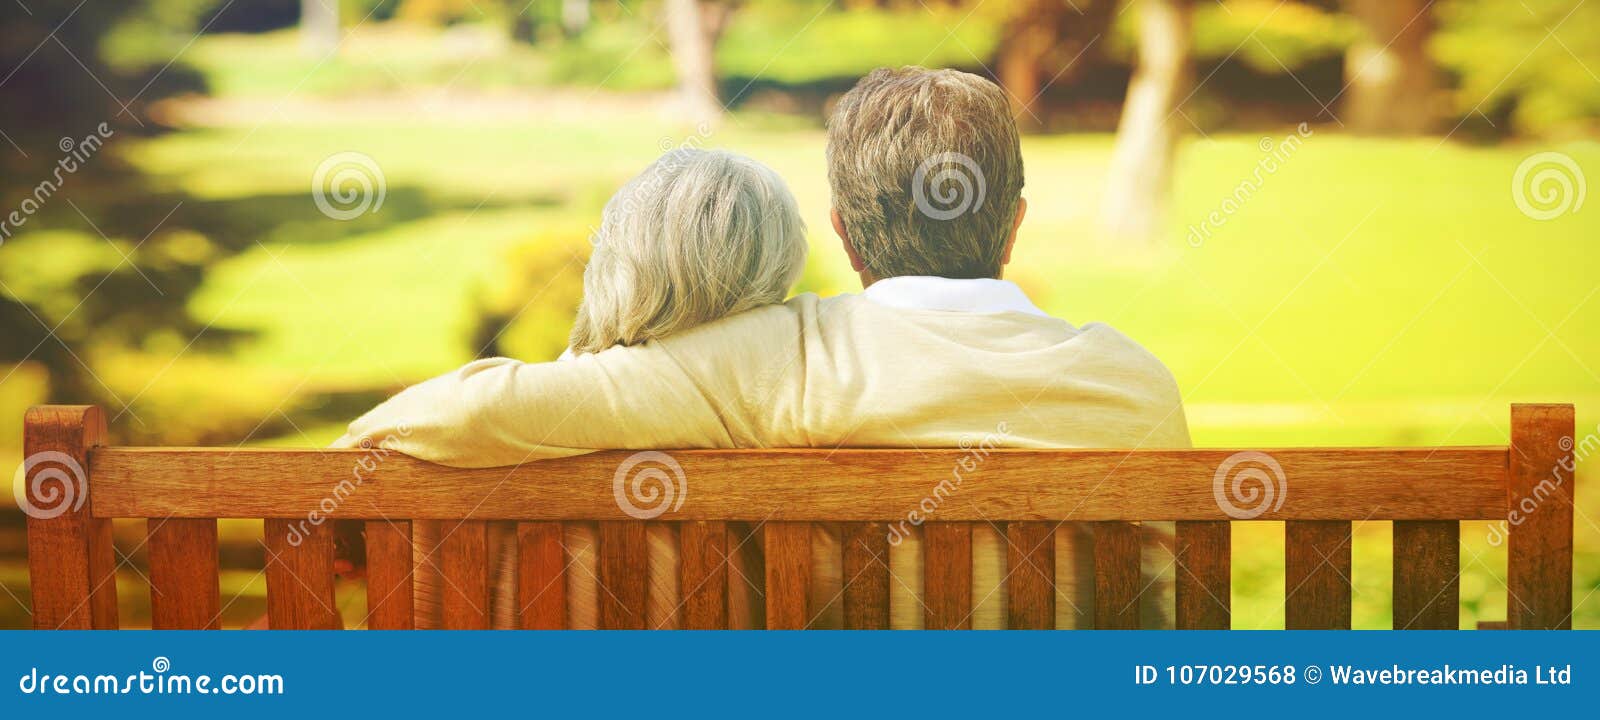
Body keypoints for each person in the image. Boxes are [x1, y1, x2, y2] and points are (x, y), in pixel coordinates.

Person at [341, 66, 1189, 629]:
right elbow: (1177, 619)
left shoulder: (780, 359)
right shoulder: (1132, 385)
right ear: (1014, 222)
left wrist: (353, 447)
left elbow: (481, 410)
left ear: (846, 234)